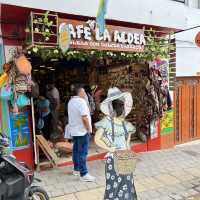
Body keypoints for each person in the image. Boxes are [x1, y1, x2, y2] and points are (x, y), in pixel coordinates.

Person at [95, 87, 137, 200]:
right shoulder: (126, 125)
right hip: (121, 159)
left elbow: (97, 139)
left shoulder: (109, 122)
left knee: (114, 188)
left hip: (115, 159)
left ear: (110, 107)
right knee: (126, 186)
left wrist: (110, 148)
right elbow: (128, 145)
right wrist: (129, 155)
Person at [68, 85, 96, 182]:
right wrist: (88, 129)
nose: (85, 94)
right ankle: (84, 174)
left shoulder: (71, 102)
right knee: (82, 152)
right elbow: (84, 117)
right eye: (83, 92)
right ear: (80, 92)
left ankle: (76, 169)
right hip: (82, 130)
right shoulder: (81, 102)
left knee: (76, 151)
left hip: (75, 130)